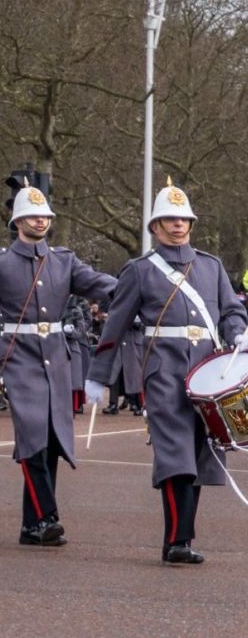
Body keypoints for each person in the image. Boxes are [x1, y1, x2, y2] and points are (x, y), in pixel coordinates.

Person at [0, 183, 115, 547]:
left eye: (45, 215)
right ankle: (49, 515)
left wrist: (132, 286)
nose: (41, 220)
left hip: (57, 356)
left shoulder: (64, 260)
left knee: (50, 439)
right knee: (33, 431)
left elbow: (98, 285)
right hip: (19, 355)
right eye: (34, 215)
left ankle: (31, 524)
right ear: (18, 220)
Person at [87, 180, 247, 564]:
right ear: (155, 227)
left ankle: (180, 538)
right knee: (175, 455)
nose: (178, 226)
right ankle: (178, 541)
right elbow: (117, 324)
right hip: (165, 371)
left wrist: (239, 332)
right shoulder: (140, 270)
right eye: (170, 220)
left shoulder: (210, 265)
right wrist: (99, 374)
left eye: (183, 219)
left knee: (199, 453)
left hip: (208, 371)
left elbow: (231, 309)